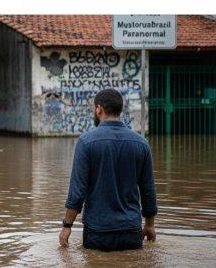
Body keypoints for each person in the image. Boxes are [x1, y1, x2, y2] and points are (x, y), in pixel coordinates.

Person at [58, 89, 157, 251]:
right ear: (120, 109)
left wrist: (67, 226)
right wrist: (150, 225)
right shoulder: (141, 143)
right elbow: (148, 190)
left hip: (98, 232)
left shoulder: (86, 142)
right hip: (131, 231)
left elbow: (77, 191)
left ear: (99, 109)